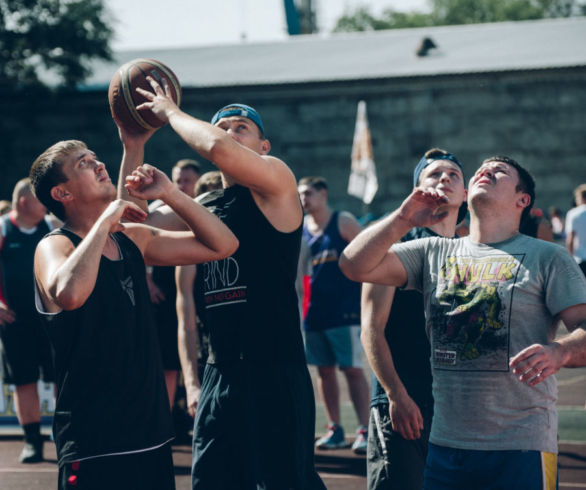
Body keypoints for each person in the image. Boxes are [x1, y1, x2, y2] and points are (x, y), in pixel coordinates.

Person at [120, 78, 326, 489]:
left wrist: (170, 112)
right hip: (221, 369)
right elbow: (128, 228)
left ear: (263, 147)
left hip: (274, 367)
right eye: (224, 125)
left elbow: (216, 148)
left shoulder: (278, 182)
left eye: (240, 128)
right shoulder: (204, 205)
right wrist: (133, 145)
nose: (229, 133)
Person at [340, 156, 586, 490]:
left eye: (499, 171)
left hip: (521, 446)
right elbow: (353, 265)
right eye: (481, 169)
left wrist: (559, 352)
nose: (486, 170)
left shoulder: (548, 257)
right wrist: (402, 218)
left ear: (522, 199)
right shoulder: (433, 252)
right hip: (445, 448)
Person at [30, 135, 237, 490]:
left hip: (151, 433)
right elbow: (71, 293)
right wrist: (105, 220)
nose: (98, 164)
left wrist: (170, 193)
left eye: (95, 156)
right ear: (62, 194)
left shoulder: (132, 239)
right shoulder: (53, 246)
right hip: (94, 441)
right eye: (83, 163)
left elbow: (223, 244)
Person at [362, 149, 467, 489]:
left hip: (454, 406)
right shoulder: (393, 246)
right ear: (417, 188)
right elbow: (371, 328)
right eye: (434, 174)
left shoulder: (472, 253)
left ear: (465, 194)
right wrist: (395, 395)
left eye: (453, 174)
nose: (445, 179)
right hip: (404, 400)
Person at [297, 175, 370, 454]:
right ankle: (335, 429)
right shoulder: (302, 228)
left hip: (346, 312)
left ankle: (364, 430)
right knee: (324, 371)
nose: (304, 200)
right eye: (301, 195)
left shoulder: (343, 221)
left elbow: (370, 251)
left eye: (308, 194)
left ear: (323, 194)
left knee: (352, 370)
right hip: (314, 313)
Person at [0, 178, 60, 463]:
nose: (46, 205)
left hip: (50, 319)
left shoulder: (52, 226)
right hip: (14, 321)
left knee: (63, 378)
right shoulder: (2, 229)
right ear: (24, 202)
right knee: (25, 382)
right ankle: (32, 443)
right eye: (40, 199)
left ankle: (66, 438)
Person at [146, 158, 202, 412]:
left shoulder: (203, 208)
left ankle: (192, 413)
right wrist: (148, 283)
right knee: (167, 358)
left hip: (198, 284)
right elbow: (136, 239)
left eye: (186, 181)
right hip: (164, 289)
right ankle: (165, 420)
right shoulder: (158, 209)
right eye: (177, 180)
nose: (181, 185)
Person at [175, 171, 223, 409]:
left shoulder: (248, 237)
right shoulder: (190, 249)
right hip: (210, 350)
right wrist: (192, 383)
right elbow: (186, 323)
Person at [565, 183, 586, 276]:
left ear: (581, 197)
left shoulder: (573, 213)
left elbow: (570, 239)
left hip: (580, 258)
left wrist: (569, 259)